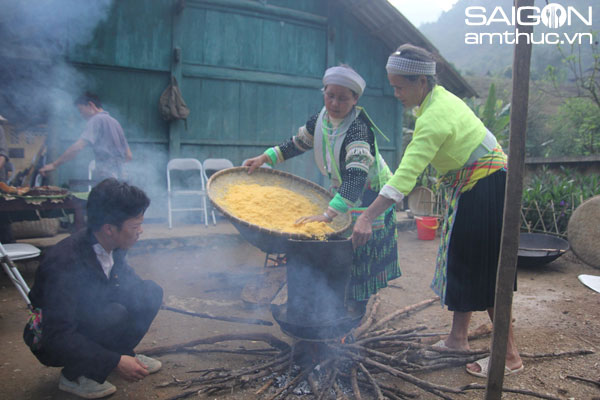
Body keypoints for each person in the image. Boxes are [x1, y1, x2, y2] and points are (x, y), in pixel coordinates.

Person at [351, 44, 523, 377]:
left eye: (400, 85)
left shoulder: (434, 115)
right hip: (474, 186)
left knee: (488, 272)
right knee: (462, 259)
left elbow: (405, 176)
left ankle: (510, 355)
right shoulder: (435, 101)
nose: (396, 92)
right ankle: (458, 339)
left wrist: (368, 216)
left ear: (421, 82)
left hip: (487, 187)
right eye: (393, 85)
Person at [244, 65, 401, 310]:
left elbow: (356, 176)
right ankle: (333, 305)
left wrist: (328, 215)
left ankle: (353, 314)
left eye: (343, 98)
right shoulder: (321, 119)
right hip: (345, 194)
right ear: (324, 92)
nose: (335, 103)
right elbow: (298, 143)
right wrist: (265, 158)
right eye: (330, 95)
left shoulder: (359, 130)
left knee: (359, 256)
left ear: (355, 99)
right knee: (341, 252)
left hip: (371, 197)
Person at [23, 178, 163, 399]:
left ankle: (121, 354)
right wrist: (113, 362)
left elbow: (128, 282)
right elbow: (56, 334)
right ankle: (75, 375)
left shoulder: (114, 246)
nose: (141, 231)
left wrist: (148, 299)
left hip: (88, 316)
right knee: (112, 313)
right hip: (50, 338)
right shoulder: (64, 262)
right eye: (135, 226)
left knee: (149, 292)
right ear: (109, 228)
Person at [39, 92, 132, 181]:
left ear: (90, 105)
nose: (81, 115)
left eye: (81, 110)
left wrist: (54, 165)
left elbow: (78, 147)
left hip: (108, 178)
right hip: (123, 178)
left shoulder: (96, 119)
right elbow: (128, 155)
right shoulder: (115, 122)